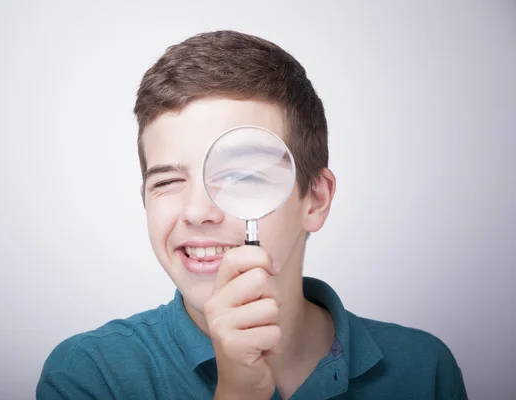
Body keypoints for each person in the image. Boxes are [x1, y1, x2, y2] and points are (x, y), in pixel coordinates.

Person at [36, 30, 467, 399]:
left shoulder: (423, 370)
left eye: (242, 176)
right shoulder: (91, 374)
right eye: (167, 181)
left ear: (315, 200)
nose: (197, 211)